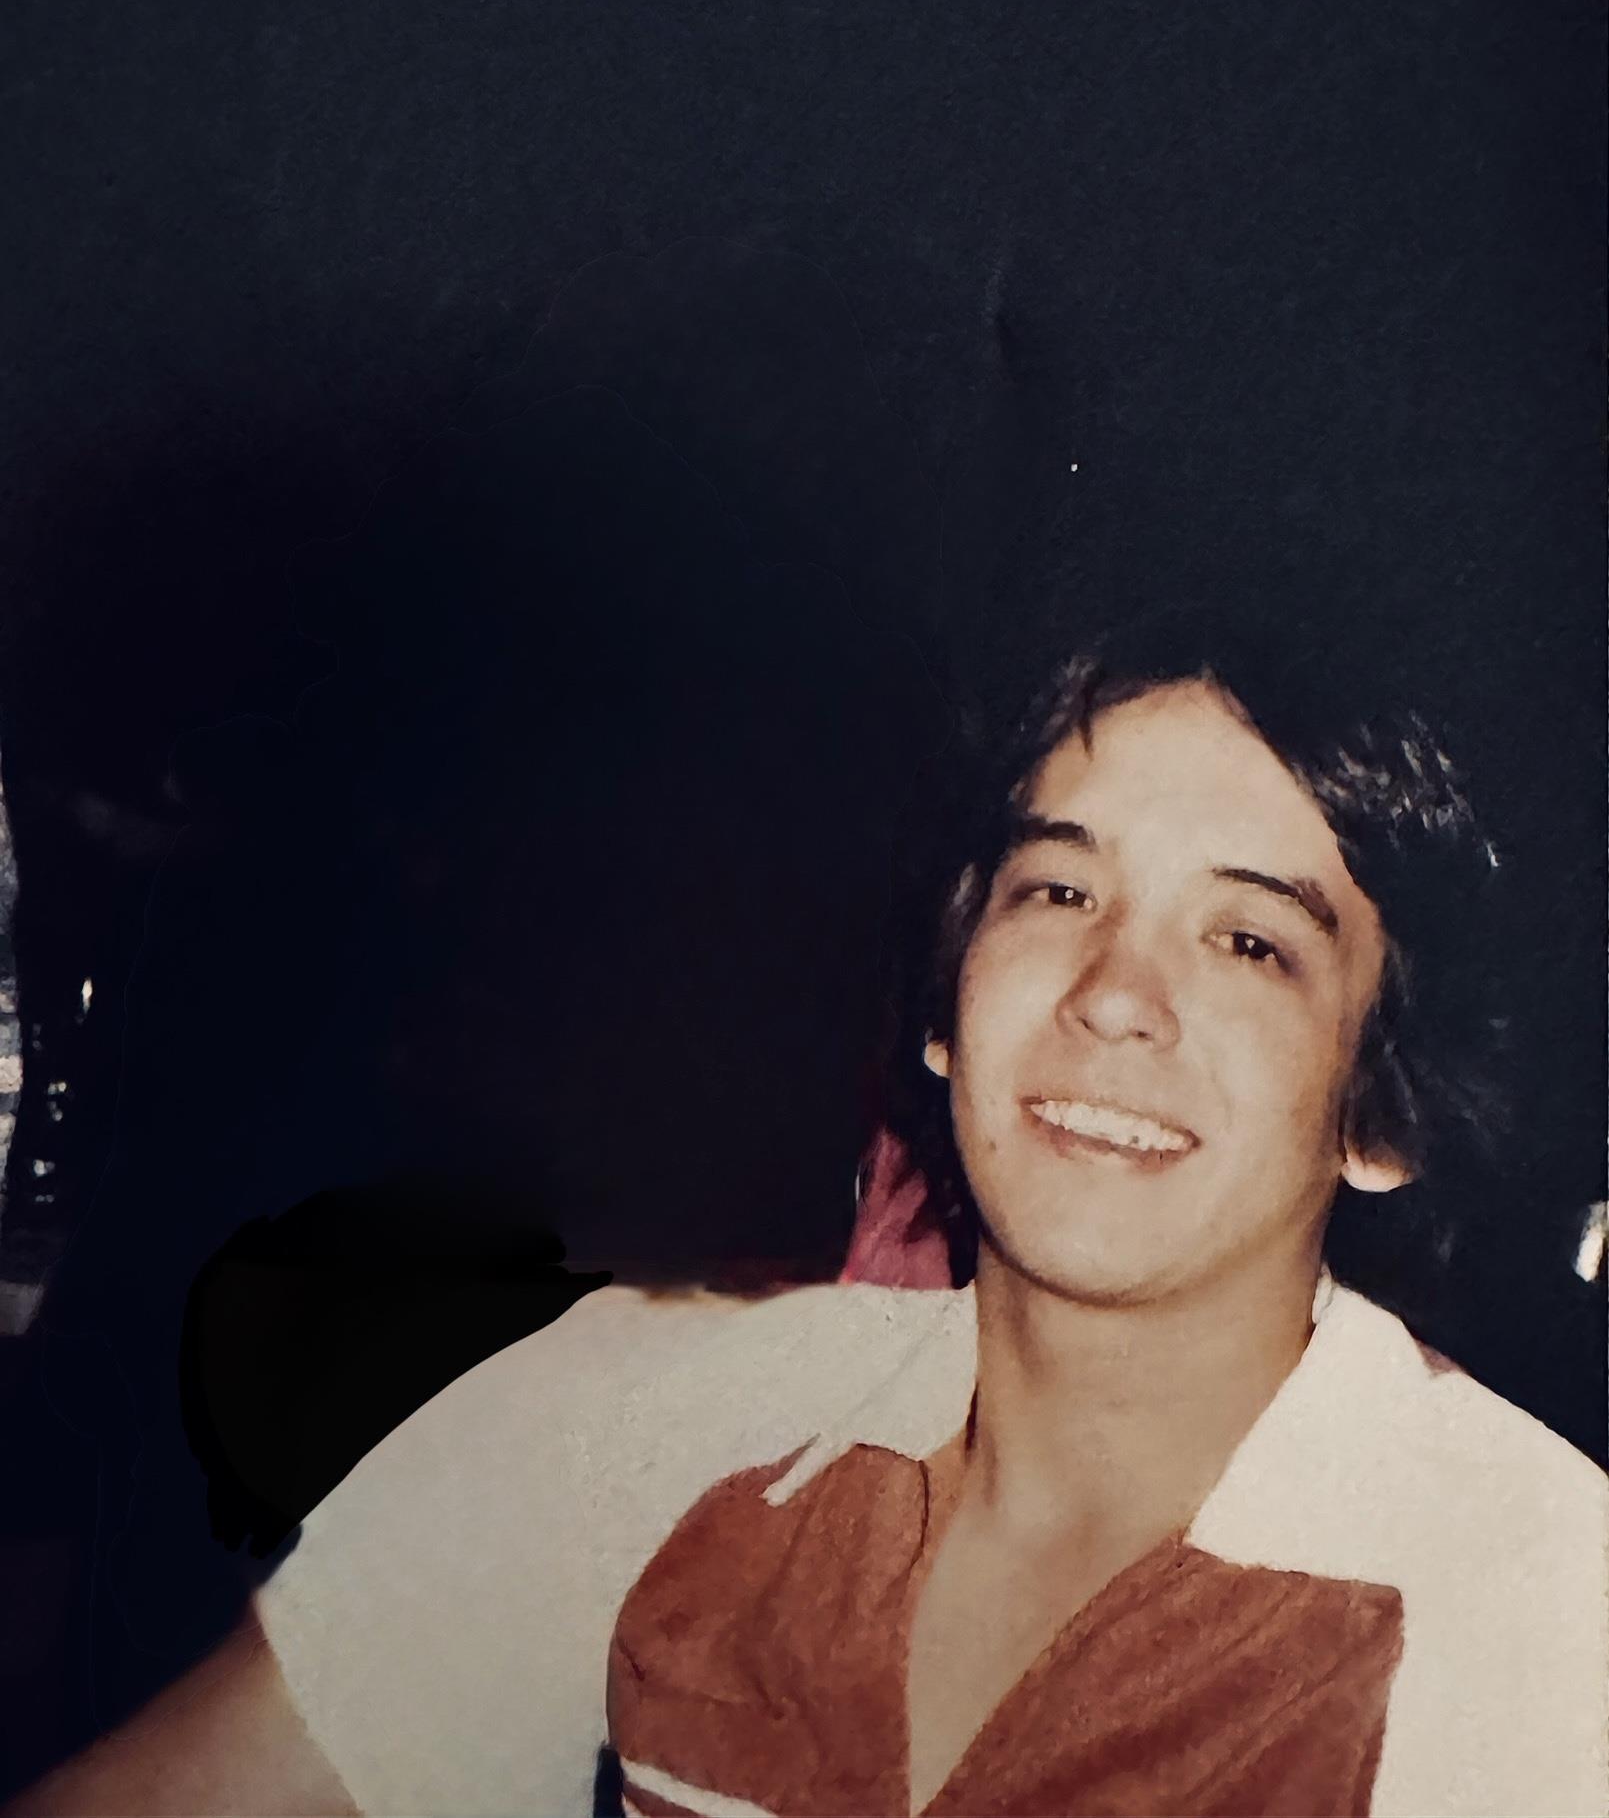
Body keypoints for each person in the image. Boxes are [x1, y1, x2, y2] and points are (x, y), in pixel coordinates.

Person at [8, 624, 1606, 1818]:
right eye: (1057, 890)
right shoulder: (648, 1415)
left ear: (1382, 1114)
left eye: (1252, 943)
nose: (1117, 996)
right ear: (939, 1002)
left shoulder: (1531, 1606)